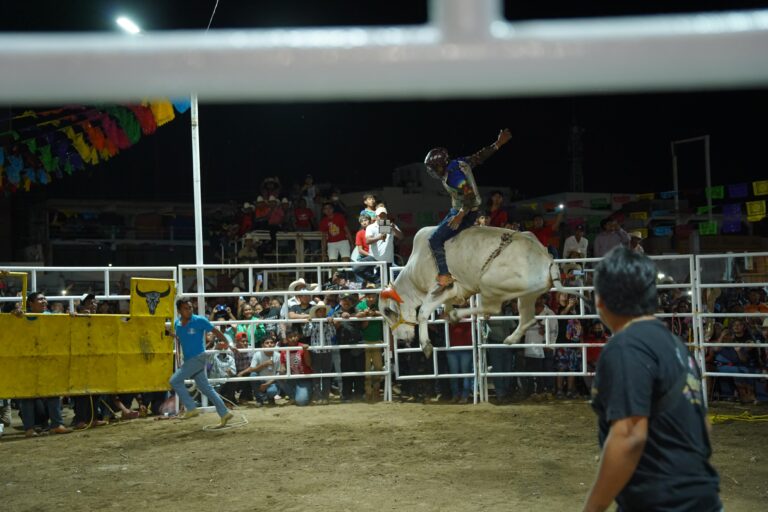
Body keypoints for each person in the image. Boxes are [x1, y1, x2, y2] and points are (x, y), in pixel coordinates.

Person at [583, 247, 721, 512]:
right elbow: (703, 426)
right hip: (702, 498)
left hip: (663, 503)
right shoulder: (674, 344)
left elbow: (630, 435)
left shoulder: (626, 346)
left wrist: (592, 509)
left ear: (600, 300)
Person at [423, 128, 512, 291]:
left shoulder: (454, 178)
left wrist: (459, 216)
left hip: (465, 213)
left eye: (434, 167)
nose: (433, 171)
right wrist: (498, 144)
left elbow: (469, 197)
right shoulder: (458, 163)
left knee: (434, 240)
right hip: (463, 209)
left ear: (440, 165)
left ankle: (445, 276)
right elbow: (479, 157)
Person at [170, 298, 234, 426]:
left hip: (197, 358)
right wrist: (171, 335)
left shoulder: (200, 320)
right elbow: (181, 336)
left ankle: (191, 408)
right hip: (190, 359)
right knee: (206, 389)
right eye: (186, 308)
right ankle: (224, 412)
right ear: (179, 310)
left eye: (190, 308)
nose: (189, 311)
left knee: (174, 381)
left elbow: (216, 332)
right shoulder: (177, 323)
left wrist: (228, 344)